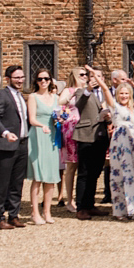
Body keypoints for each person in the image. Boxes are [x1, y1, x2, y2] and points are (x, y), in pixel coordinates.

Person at [86, 65, 134, 220]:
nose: (124, 96)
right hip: (120, 141)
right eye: (121, 93)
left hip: (132, 142)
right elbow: (105, 89)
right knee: (120, 175)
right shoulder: (115, 106)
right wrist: (94, 75)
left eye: (126, 93)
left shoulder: (133, 110)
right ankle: (120, 210)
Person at [0, 65, 30, 229]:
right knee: (3, 182)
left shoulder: (21, 96)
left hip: (22, 143)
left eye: (22, 77)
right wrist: (5, 133)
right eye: (16, 78)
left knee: (17, 182)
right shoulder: (1, 94)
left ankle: (14, 215)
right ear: (8, 79)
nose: (20, 80)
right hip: (7, 145)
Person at [71, 66, 111, 219]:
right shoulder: (82, 91)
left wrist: (107, 118)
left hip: (100, 137)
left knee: (95, 173)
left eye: (99, 76)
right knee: (84, 173)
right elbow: (79, 105)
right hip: (86, 136)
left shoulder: (105, 94)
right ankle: (81, 207)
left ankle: (90, 204)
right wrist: (88, 88)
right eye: (93, 76)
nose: (96, 79)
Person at [26, 69, 61, 225]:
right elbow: (32, 119)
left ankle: (47, 211)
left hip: (52, 137)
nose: (43, 81)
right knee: (38, 176)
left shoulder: (56, 98)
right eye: (40, 79)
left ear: (50, 80)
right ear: (36, 81)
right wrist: (42, 126)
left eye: (46, 78)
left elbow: (59, 115)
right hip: (38, 136)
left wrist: (60, 120)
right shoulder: (33, 97)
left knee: (51, 176)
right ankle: (35, 212)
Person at [55, 70, 84, 212]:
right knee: (71, 166)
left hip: (86, 130)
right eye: (82, 75)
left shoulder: (88, 90)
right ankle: (69, 200)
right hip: (71, 130)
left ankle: (82, 199)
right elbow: (59, 103)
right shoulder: (69, 90)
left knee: (84, 166)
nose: (85, 77)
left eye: (86, 75)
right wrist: (72, 95)